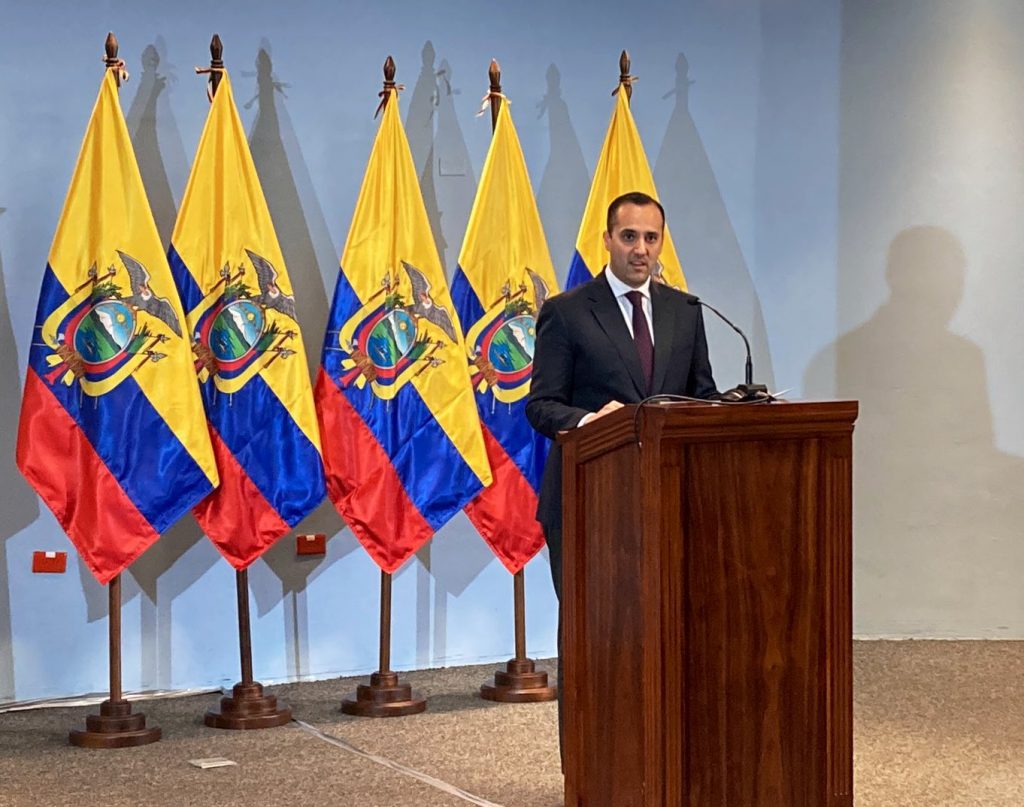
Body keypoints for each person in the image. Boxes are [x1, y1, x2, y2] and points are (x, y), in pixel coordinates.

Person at [525, 190, 719, 761]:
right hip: (588, 503)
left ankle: (662, 760)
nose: (641, 249)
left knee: (668, 634)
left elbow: (701, 396)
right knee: (595, 638)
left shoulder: (685, 310)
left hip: (667, 500)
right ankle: (588, 768)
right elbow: (541, 405)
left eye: (651, 238)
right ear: (607, 240)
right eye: (629, 236)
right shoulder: (567, 311)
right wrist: (592, 421)